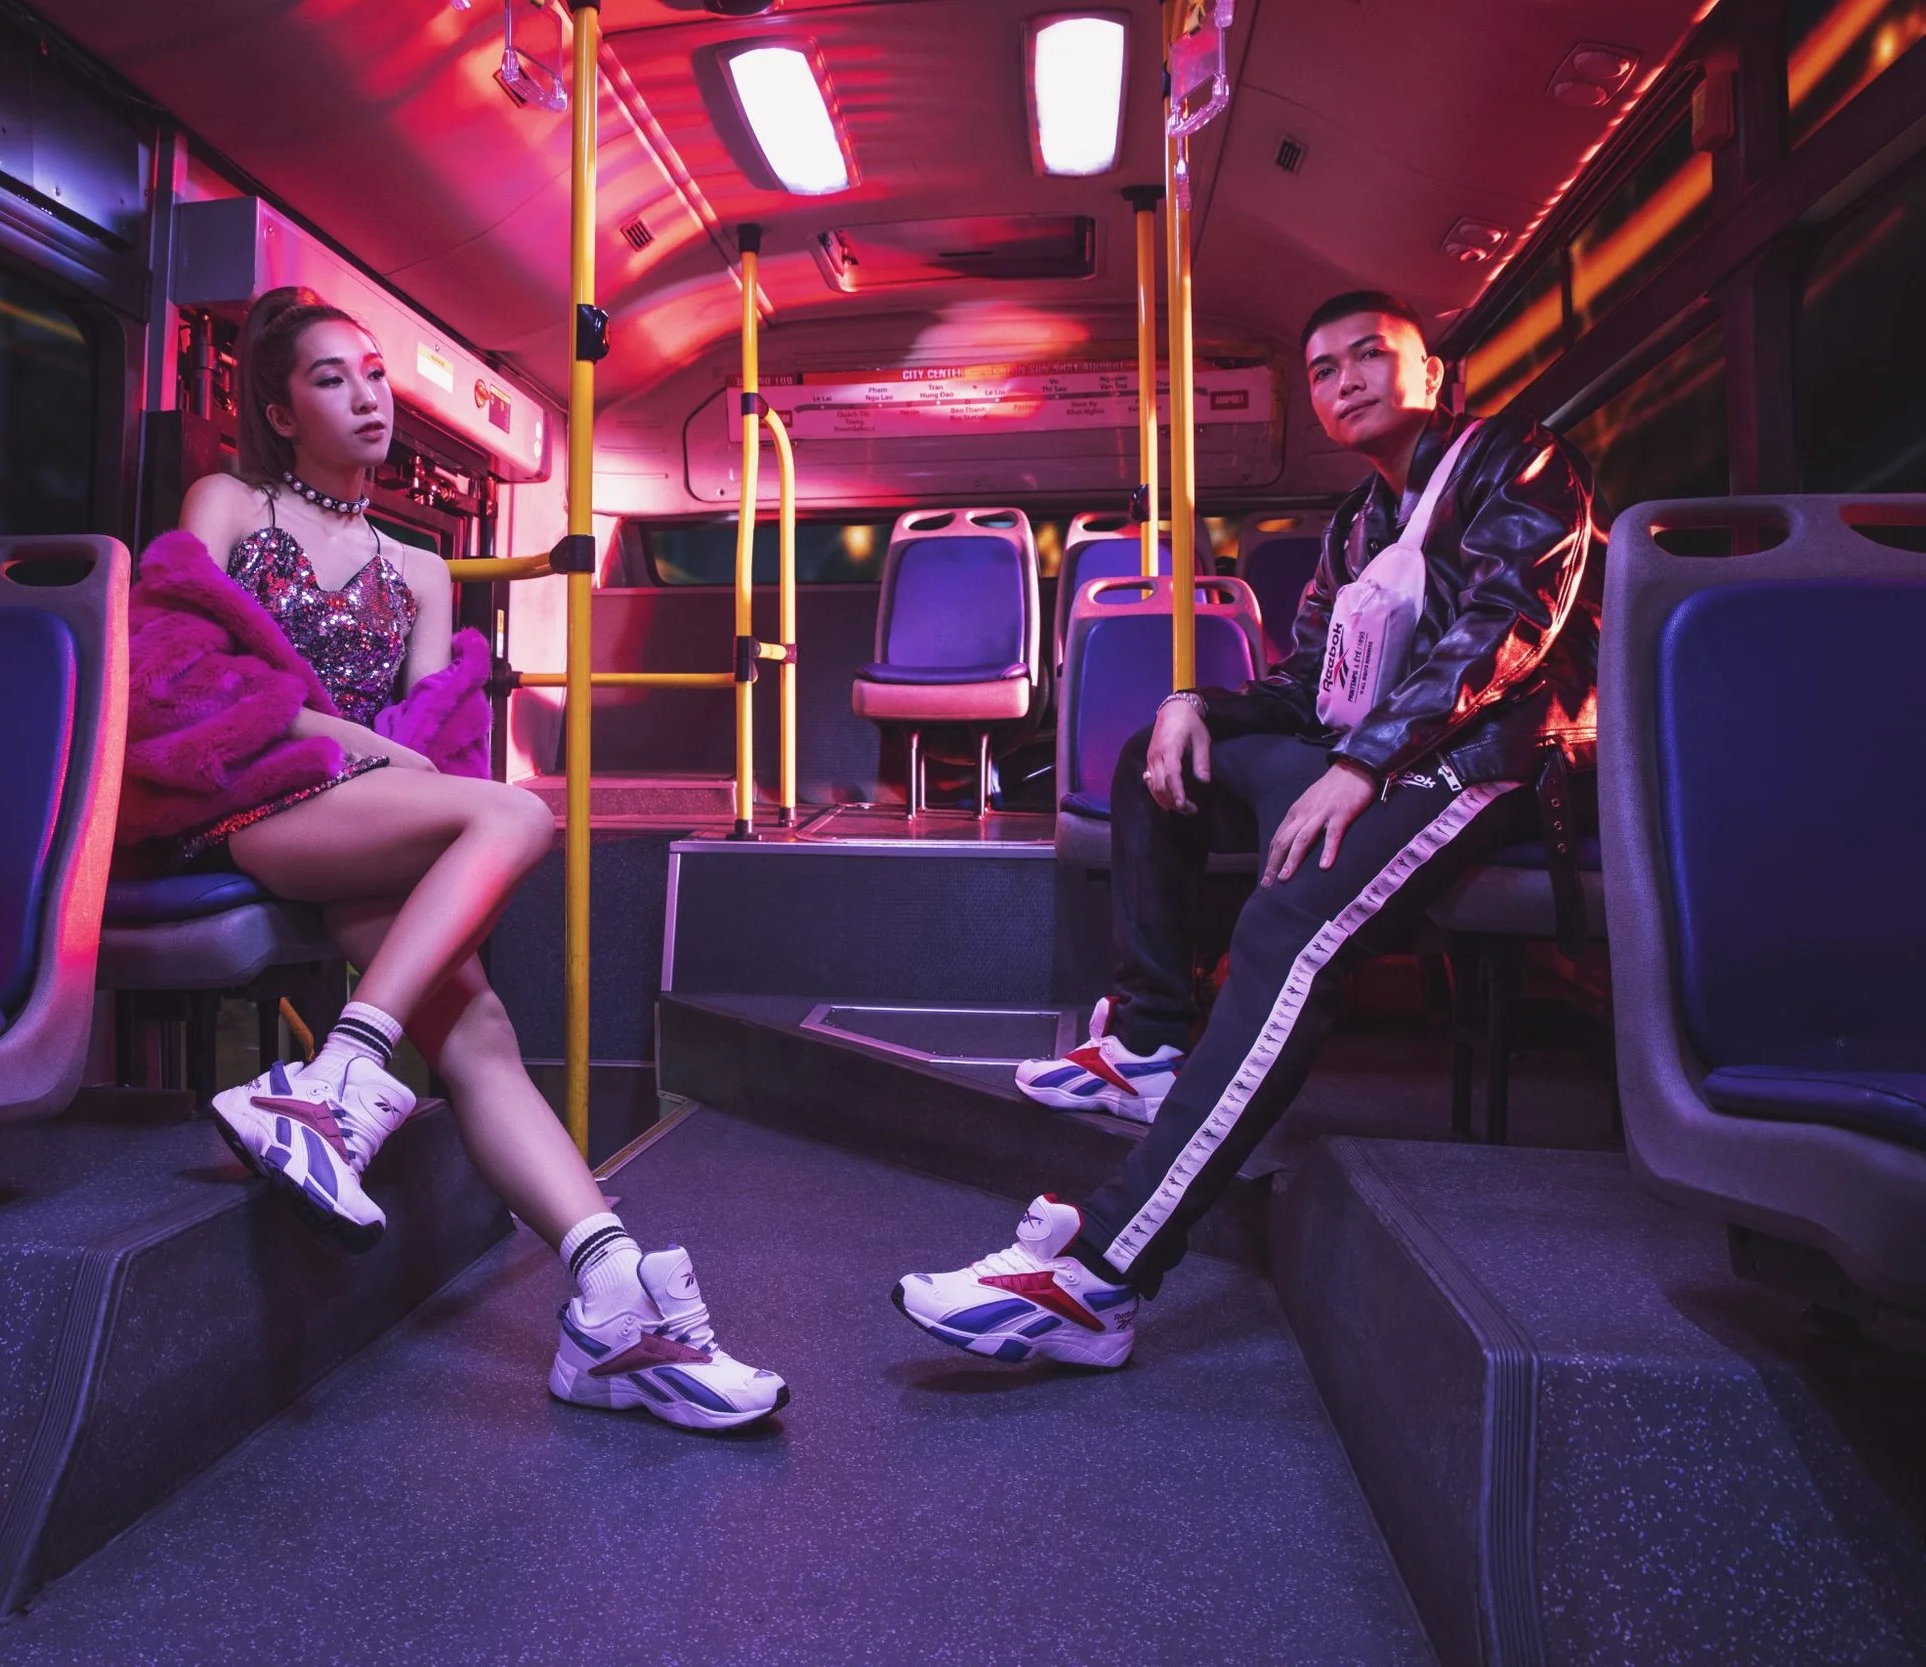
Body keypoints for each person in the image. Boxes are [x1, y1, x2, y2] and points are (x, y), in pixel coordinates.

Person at [894, 291, 1597, 1368]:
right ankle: (1148, 1038)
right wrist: (1194, 704)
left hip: (1485, 762)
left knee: (1283, 931)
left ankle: (1099, 1276)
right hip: (1372, 754)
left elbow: (1501, 634)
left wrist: (1363, 765)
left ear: (1433, 373)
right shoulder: (1360, 519)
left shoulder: (1519, 463)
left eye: (1371, 356)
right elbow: (1311, 682)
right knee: (1153, 753)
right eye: (1322, 370)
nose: (1346, 379)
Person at [124, 286, 784, 1429]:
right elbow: (176, 672)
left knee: (481, 1034)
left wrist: (397, 766)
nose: (367, 397)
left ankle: (610, 1297)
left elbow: (436, 735)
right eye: (332, 378)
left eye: (374, 373)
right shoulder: (227, 503)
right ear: (280, 411)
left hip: (370, 811)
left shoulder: (419, 569)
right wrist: (342, 734)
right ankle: (339, 1080)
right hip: (253, 795)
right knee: (521, 816)